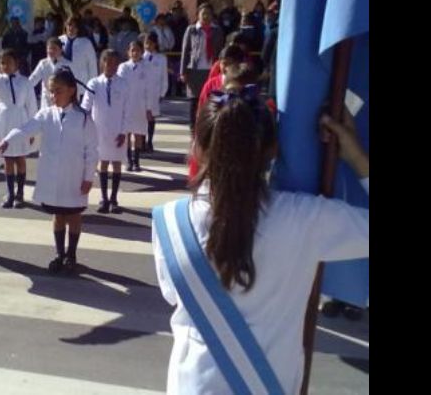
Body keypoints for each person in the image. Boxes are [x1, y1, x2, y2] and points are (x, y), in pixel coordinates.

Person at [151, 70, 369, 394]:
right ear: (272, 151)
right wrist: (356, 156)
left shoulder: (168, 222)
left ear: (197, 147)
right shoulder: (305, 219)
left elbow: (175, 296)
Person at [0, 68, 98, 274]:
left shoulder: (84, 118)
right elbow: (25, 128)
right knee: (58, 214)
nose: (53, 96)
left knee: (74, 215)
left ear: (71, 90)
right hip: (53, 177)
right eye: (50, 91)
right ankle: (59, 254)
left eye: (58, 91)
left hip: (74, 176)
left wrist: (88, 177)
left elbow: (92, 152)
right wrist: (7, 140)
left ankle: (72, 255)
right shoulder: (46, 114)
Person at [81, 50, 129, 214]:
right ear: (102, 63)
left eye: (115, 63)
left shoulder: (123, 84)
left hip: (117, 130)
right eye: (108, 62)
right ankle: (104, 198)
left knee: (116, 163)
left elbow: (126, 110)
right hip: (99, 130)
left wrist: (124, 132)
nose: (112, 66)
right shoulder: (94, 83)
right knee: (102, 163)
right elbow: (86, 106)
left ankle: (114, 198)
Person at [0, 49, 38, 209]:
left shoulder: (25, 82)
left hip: (21, 121)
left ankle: (20, 193)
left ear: (16, 63)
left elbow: (31, 106)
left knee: (20, 158)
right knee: (8, 159)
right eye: (2, 62)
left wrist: (32, 129)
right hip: (3, 121)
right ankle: (10, 193)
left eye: (9, 62)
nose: (5, 65)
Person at [180, 3, 225, 129]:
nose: (206, 16)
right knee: (194, 100)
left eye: (208, 14)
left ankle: (208, 126)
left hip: (211, 70)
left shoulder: (217, 31)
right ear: (198, 15)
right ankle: (193, 128)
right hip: (194, 70)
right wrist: (182, 71)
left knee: (210, 99)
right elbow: (185, 50)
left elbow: (221, 51)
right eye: (203, 13)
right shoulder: (192, 30)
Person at [117, 40, 149, 172]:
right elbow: (119, 85)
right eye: (132, 50)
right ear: (128, 52)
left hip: (140, 105)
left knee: (138, 134)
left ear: (142, 52)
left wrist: (149, 107)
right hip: (126, 104)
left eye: (137, 50)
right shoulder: (123, 67)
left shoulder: (146, 67)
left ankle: (137, 160)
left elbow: (149, 88)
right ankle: (128, 160)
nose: (135, 53)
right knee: (127, 132)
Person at [28, 37, 76, 110]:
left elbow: (73, 84)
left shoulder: (68, 64)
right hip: (47, 100)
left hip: (62, 99)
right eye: (49, 48)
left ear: (60, 50)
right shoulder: (43, 63)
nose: (51, 51)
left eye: (54, 48)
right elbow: (32, 80)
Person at [141, 32, 168, 153]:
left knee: (151, 118)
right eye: (146, 43)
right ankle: (141, 142)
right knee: (141, 118)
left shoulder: (161, 59)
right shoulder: (140, 58)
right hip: (141, 93)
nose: (148, 46)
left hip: (154, 92)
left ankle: (149, 141)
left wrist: (162, 93)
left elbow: (164, 77)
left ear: (155, 44)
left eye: (151, 43)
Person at [59, 17, 98, 93]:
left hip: (81, 86)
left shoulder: (86, 43)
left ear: (78, 28)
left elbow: (92, 66)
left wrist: (93, 87)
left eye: (75, 26)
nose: (71, 28)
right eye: (69, 25)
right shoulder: (58, 41)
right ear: (65, 26)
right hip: (62, 86)